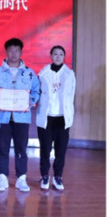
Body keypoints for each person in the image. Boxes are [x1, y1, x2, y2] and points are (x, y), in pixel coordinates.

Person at [0, 37, 41, 192]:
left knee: (21, 148)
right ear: (6, 52)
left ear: (21, 52)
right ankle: (2, 177)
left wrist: (29, 102)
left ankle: (21, 178)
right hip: (2, 117)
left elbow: (36, 91)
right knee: (2, 148)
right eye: (11, 50)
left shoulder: (29, 73)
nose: (14, 53)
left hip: (22, 117)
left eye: (17, 50)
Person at [36, 45, 76, 191]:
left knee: (61, 150)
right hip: (46, 117)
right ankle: (45, 176)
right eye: (55, 54)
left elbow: (71, 95)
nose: (58, 57)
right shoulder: (43, 73)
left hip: (62, 118)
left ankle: (58, 176)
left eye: (61, 54)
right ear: (51, 56)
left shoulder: (70, 74)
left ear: (64, 57)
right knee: (45, 149)